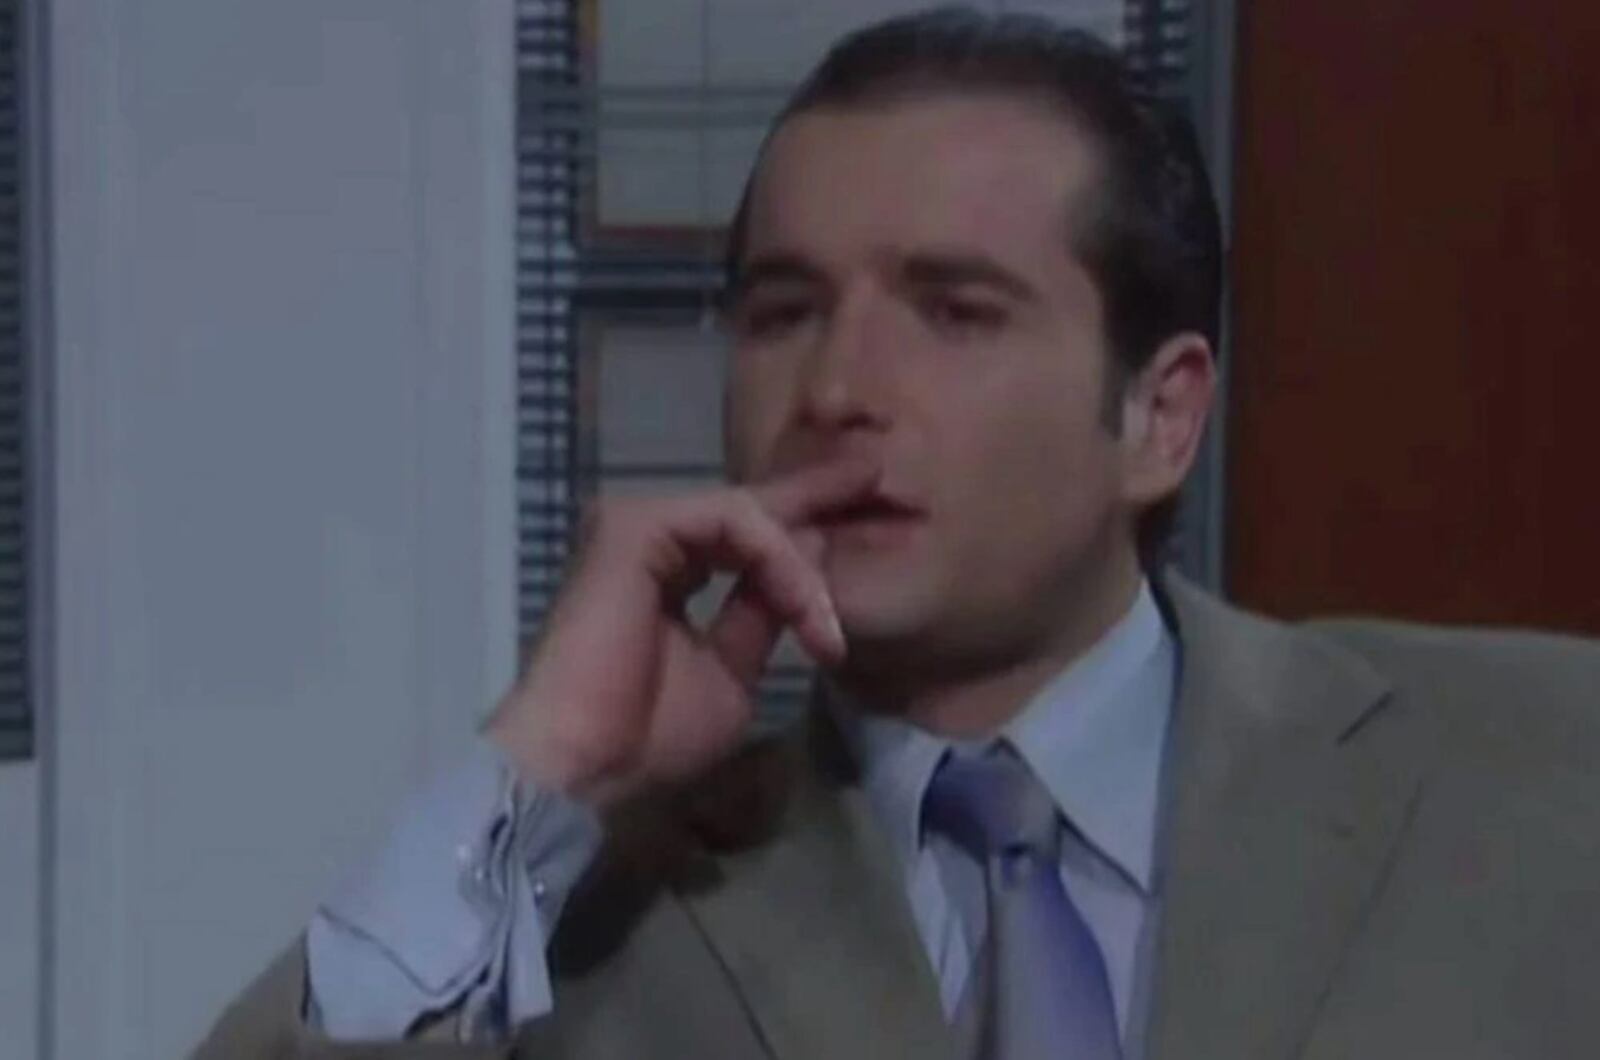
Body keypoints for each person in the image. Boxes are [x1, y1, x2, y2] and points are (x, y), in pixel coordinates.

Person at [199, 8, 1600, 1059]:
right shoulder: (587, 908)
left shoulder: (1544, 771)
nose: (836, 391)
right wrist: (543, 760)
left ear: (1159, 417)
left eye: (954, 312)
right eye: (784, 311)